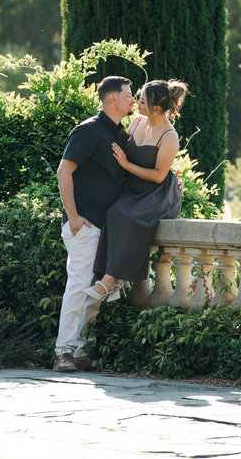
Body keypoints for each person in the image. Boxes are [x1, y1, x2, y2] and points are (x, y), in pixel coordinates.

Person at [53, 75, 136, 373]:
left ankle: (81, 351)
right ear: (112, 98)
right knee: (78, 286)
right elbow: (64, 172)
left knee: (95, 291)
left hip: (111, 228)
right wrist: (73, 217)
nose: (133, 99)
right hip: (85, 225)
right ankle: (63, 352)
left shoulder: (121, 134)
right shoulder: (87, 130)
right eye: (128, 94)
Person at [86, 80, 188, 302]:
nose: (136, 102)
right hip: (133, 188)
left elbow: (159, 175)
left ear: (157, 108)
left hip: (157, 193)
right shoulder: (137, 121)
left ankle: (111, 280)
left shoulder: (169, 136)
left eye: (142, 101)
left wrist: (126, 165)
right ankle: (111, 283)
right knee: (113, 212)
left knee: (132, 217)